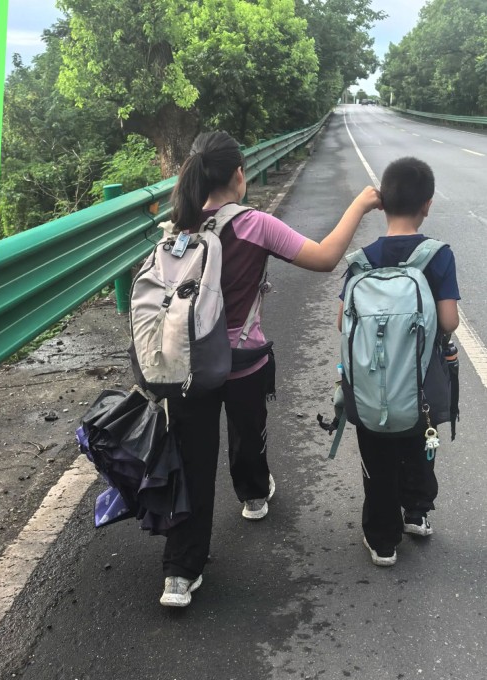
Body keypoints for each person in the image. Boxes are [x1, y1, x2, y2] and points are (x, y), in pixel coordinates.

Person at [144, 130, 382, 608]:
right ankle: (253, 495)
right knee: (248, 432)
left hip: (185, 365)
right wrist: (359, 204)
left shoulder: (177, 226)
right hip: (242, 361)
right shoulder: (255, 225)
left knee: (192, 461)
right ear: (239, 174)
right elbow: (325, 257)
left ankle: (179, 574)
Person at [336, 157, 459, 566]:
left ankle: (383, 540)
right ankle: (417, 512)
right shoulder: (437, 256)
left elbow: (342, 323)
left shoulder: (360, 260)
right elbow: (448, 320)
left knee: (377, 455)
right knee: (421, 444)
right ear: (428, 204)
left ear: (382, 204)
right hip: (422, 384)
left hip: (370, 387)